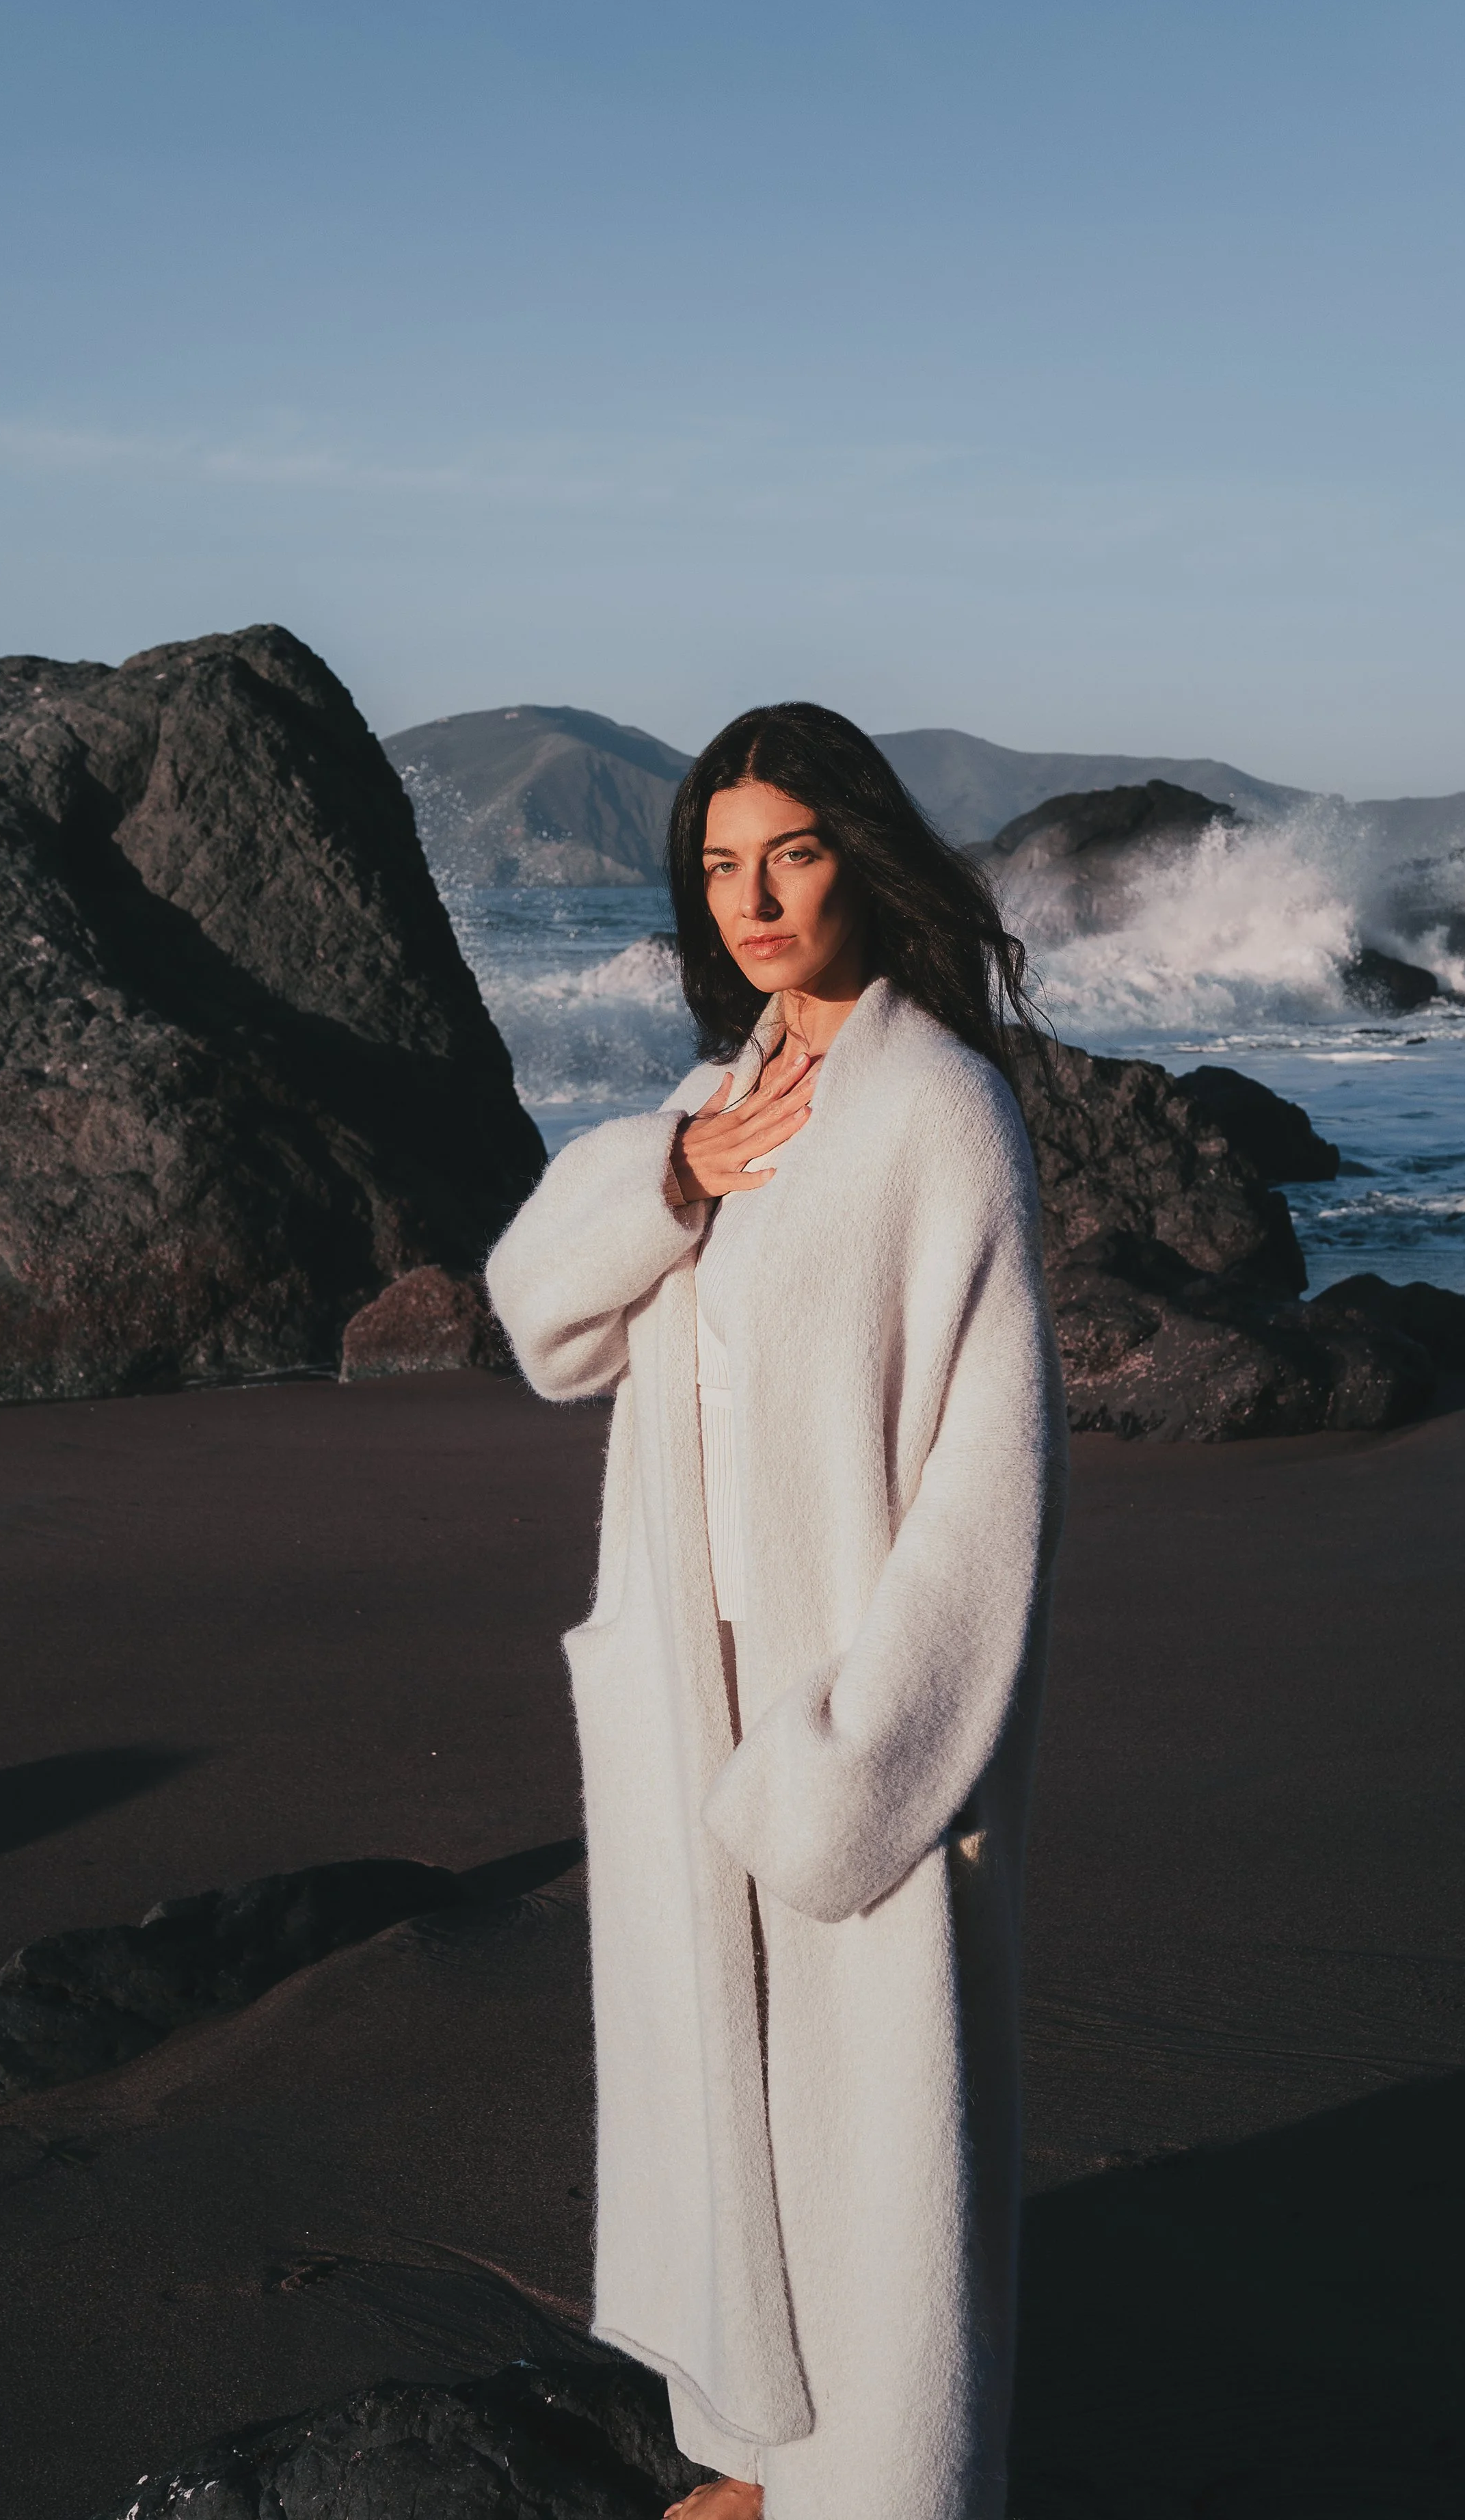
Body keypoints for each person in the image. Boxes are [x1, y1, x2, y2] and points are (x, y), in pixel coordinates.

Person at [485, 702, 1067, 2520]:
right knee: (724, 2116)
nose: (751, 894)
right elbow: (538, 1317)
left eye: (788, 850)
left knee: (879, 2145)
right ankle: (759, 2457)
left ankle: (884, 2487)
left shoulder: (936, 1117)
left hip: (849, 1731)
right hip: (692, 1706)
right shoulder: (705, 1107)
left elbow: (992, 1489)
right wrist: (672, 1186)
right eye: (719, 864)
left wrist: (848, 1765)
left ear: (856, 858)